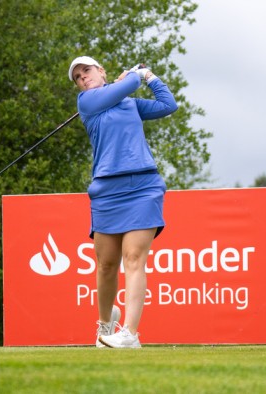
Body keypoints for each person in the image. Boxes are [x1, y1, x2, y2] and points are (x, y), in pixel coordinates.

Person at [68, 56, 178, 348]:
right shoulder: (87, 103)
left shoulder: (129, 104)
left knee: (133, 258)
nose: (83, 78)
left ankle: (130, 333)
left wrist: (151, 77)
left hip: (143, 186)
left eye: (87, 71)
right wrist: (135, 74)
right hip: (106, 190)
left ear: (101, 71)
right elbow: (129, 83)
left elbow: (169, 105)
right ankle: (106, 324)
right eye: (78, 77)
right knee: (105, 265)